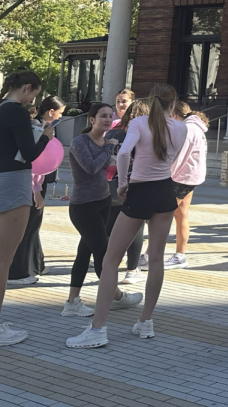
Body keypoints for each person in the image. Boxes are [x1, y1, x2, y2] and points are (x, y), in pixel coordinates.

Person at [66, 84, 187, 348]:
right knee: (156, 259)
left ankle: (98, 328)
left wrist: (122, 182)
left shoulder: (140, 123)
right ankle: (146, 322)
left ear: (150, 99)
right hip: (165, 189)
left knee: (111, 260)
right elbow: (175, 157)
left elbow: (123, 152)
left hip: (140, 189)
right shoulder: (180, 126)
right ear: (173, 102)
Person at [0, 69, 55, 348]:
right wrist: (46, 135)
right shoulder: (17, 112)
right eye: (34, 95)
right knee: (3, 261)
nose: (33, 101)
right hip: (11, 182)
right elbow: (29, 154)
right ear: (27, 88)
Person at [62, 103, 142, 317]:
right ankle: (117, 297)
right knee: (103, 253)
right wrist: (109, 147)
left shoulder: (105, 141)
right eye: (103, 116)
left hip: (103, 200)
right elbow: (91, 167)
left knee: (84, 252)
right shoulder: (80, 142)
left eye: (110, 116)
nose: (108, 120)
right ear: (91, 119)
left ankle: (72, 302)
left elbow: (105, 168)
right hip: (83, 205)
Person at [9, 96, 66, 285]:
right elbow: (35, 163)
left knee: (34, 227)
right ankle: (17, 272)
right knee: (26, 228)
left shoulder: (45, 128)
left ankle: (35, 264)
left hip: (39, 183)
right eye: (60, 113)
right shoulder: (38, 128)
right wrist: (36, 191)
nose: (60, 116)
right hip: (33, 184)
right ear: (51, 112)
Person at [107, 99, 148, 284]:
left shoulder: (114, 130)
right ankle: (132, 269)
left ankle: (105, 262)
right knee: (136, 226)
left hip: (109, 181)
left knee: (110, 225)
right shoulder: (144, 132)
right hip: (134, 182)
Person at [165, 102, 209, 269]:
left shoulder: (188, 129)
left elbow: (179, 156)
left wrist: (166, 175)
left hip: (180, 178)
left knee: (164, 216)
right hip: (190, 177)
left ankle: (150, 254)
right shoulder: (197, 127)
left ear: (175, 115)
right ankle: (180, 255)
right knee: (181, 215)